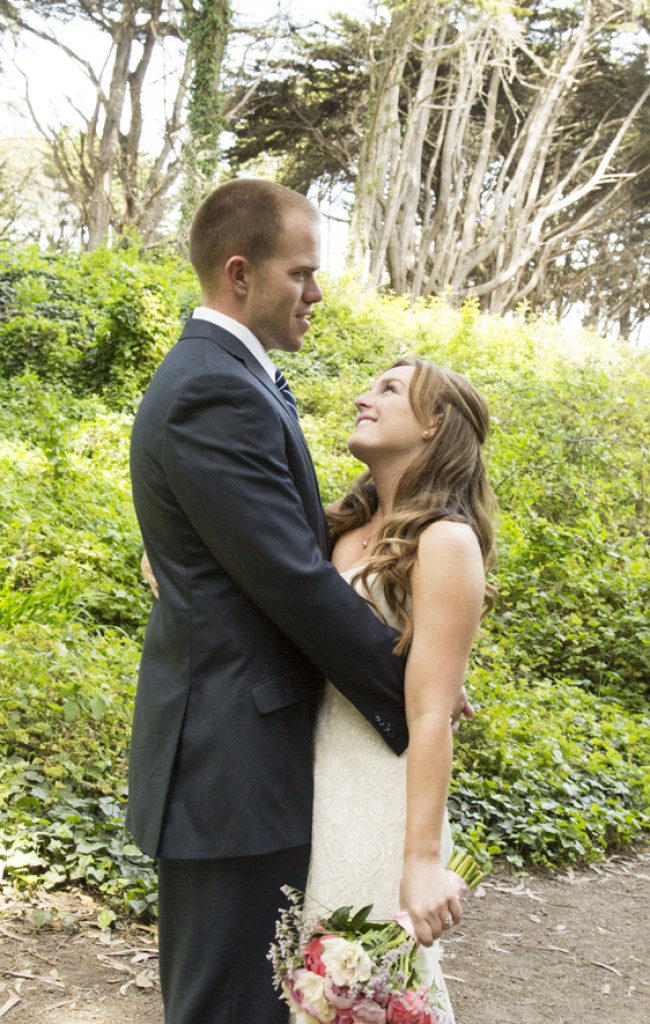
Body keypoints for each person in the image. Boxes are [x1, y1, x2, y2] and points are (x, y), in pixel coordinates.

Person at [127, 178, 415, 1024]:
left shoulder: (232, 379)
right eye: (303, 273)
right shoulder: (214, 391)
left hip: (243, 761)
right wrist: (409, 688)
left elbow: (273, 546)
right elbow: (289, 575)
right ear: (242, 273)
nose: (317, 294)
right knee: (225, 1007)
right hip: (230, 770)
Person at [294, 359, 496, 1023]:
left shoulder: (445, 541)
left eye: (388, 390)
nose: (362, 396)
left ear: (434, 424)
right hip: (310, 786)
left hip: (383, 797)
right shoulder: (335, 527)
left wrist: (421, 861)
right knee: (308, 990)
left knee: (370, 989)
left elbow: (432, 707)